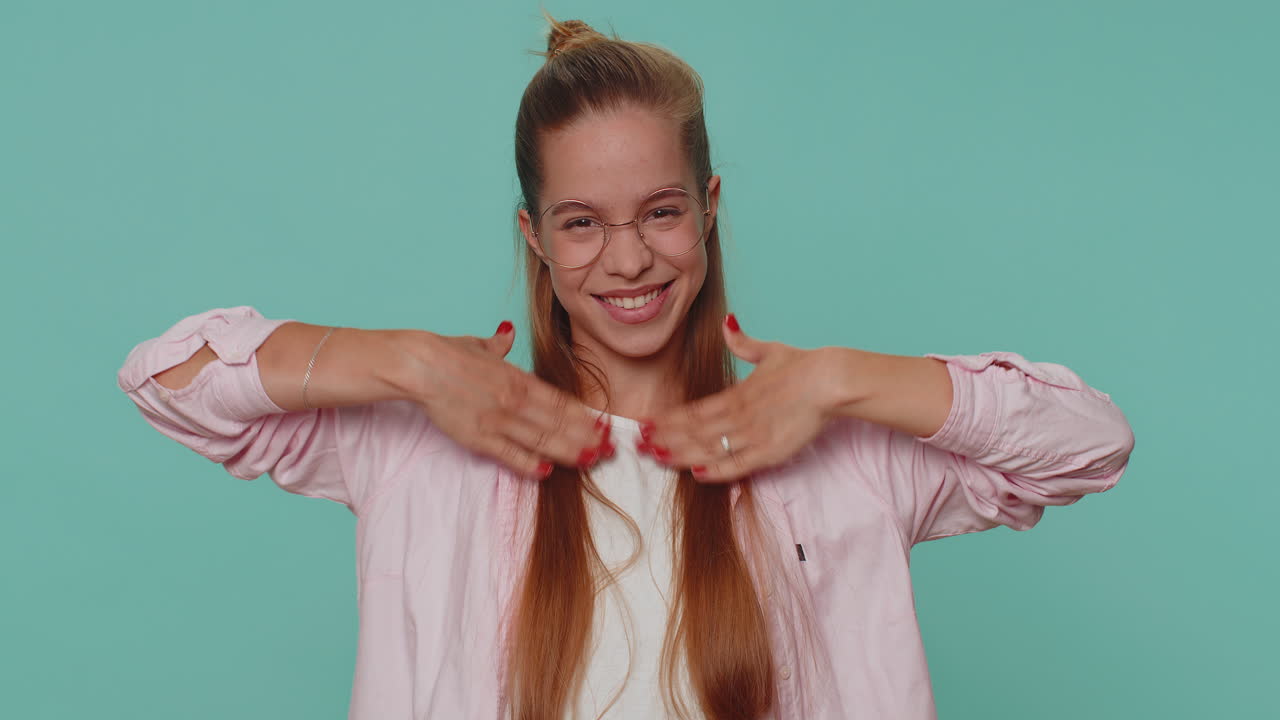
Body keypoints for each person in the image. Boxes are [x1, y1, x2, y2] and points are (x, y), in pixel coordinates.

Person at [116, 15, 1135, 720]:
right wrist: (411, 363)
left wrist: (836, 382)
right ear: (534, 236)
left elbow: (1087, 442)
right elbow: (169, 379)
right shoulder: (422, 446)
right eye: (581, 224)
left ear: (708, 206)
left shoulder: (841, 456)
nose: (629, 258)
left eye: (658, 211)